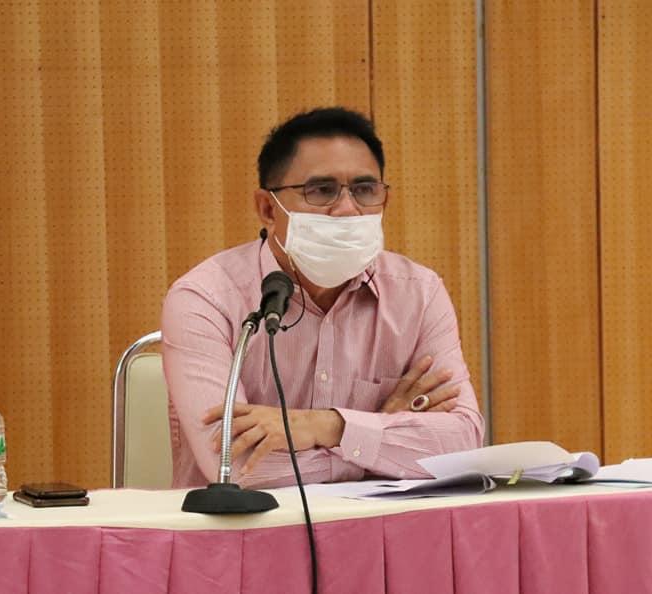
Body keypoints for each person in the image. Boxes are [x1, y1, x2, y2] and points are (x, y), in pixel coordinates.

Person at [161, 107, 484, 489]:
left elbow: (463, 444)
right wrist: (378, 437)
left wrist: (328, 426)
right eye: (321, 191)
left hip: (379, 524)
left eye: (365, 190)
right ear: (268, 208)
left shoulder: (419, 293)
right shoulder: (206, 298)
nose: (347, 209)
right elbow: (238, 466)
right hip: (248, 524)